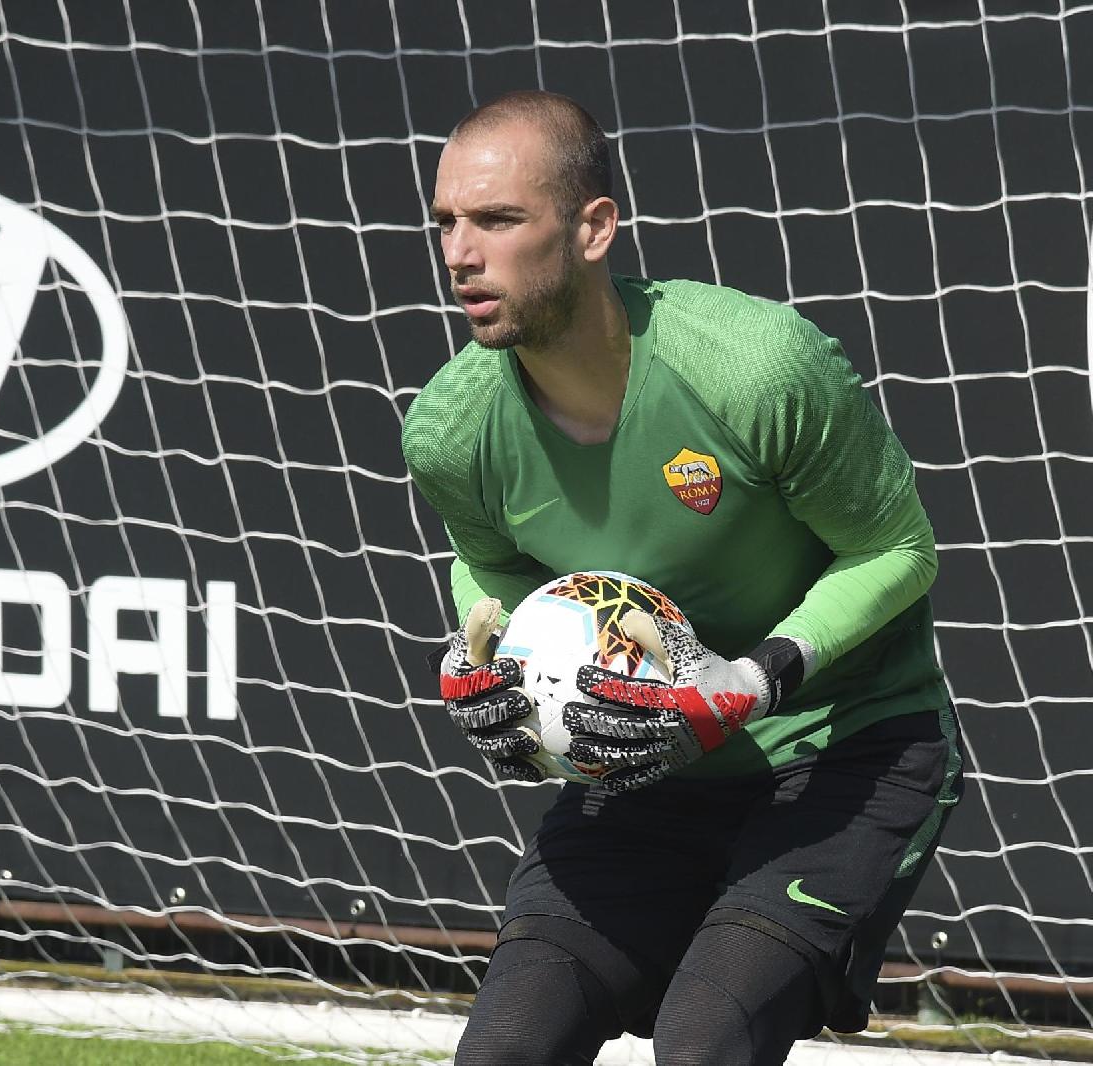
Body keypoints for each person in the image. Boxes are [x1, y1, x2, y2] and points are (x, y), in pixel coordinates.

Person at [401, 90, 963, 1065]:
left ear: (592, 228)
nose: (459, 253)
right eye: (445, 222)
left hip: (843, 749)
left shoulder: (755, 372)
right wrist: (497, 669)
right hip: (649, 769)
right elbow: (489, 572)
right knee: (504, 1049)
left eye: (497, 220)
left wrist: (755, 674)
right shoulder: (450, 432)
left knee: (703, 1042)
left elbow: (899, 551)